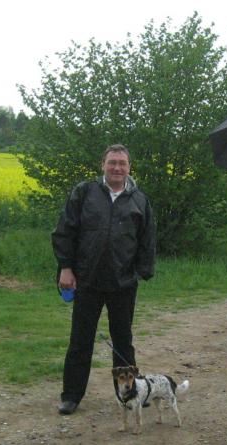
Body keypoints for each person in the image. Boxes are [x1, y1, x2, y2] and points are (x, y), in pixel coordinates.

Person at [52, 144, 156, 415]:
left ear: (129, 167)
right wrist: (66, 268)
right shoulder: (84, 193)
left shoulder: (139, 200)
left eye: (122, 163)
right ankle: (71, 395)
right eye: (112, 162)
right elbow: (64, 231)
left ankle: (130, 394)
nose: (117, 168)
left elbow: (147, 240)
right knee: (80, 340)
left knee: (123, 341)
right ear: (103, 165)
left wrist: (142, 271)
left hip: (123, 284)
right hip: (87, 281)